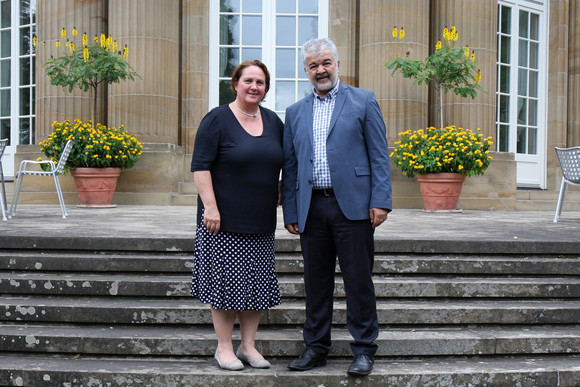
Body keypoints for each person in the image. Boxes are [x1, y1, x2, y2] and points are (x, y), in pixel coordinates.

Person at [281, 38, 392, 376]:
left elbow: (378, 155)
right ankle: (316, 347)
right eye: (313, 65)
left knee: (358, 280)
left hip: (355, 207)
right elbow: (291, 164)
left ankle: (363, 349)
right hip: (312, 208)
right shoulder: (295, 111)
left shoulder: (363, 100)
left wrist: (381, 201)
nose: (321, 70)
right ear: (306, 71)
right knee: (315, 283)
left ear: (337, 64)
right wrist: (291, 211)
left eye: (326, 62)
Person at [190, 60, 283, 371]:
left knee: (255, 286)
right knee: (226, 287)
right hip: (223, 221)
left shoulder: (273, 121)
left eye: (260, 82)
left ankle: (248, 346)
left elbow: (280, 162)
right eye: (248, 81)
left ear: (266, 88)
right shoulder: (217, 119)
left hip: (260, 220)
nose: (254, 86)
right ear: (236, 84)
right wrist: (211, 207)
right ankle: (223, 348)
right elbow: (200, 166)